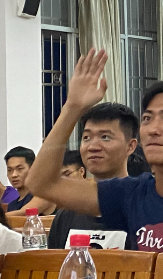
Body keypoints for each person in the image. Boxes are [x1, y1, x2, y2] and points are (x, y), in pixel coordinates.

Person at [28, 50, 163, 252]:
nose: (153, 129)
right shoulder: (129, 194)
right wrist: (72, 108)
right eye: (147, 118)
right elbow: (41, 184)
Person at [46, 102, 139, 250]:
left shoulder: (143, 207)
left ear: (131, 146)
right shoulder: (67, 214)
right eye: (86, 137)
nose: (93, 147)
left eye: (105, 137)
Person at [4, 147, 55, 214]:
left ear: (33, 169)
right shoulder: (11, 205)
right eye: (10, 170)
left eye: (20, 169)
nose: (14, 175)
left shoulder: (44, 195)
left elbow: (25, 213)